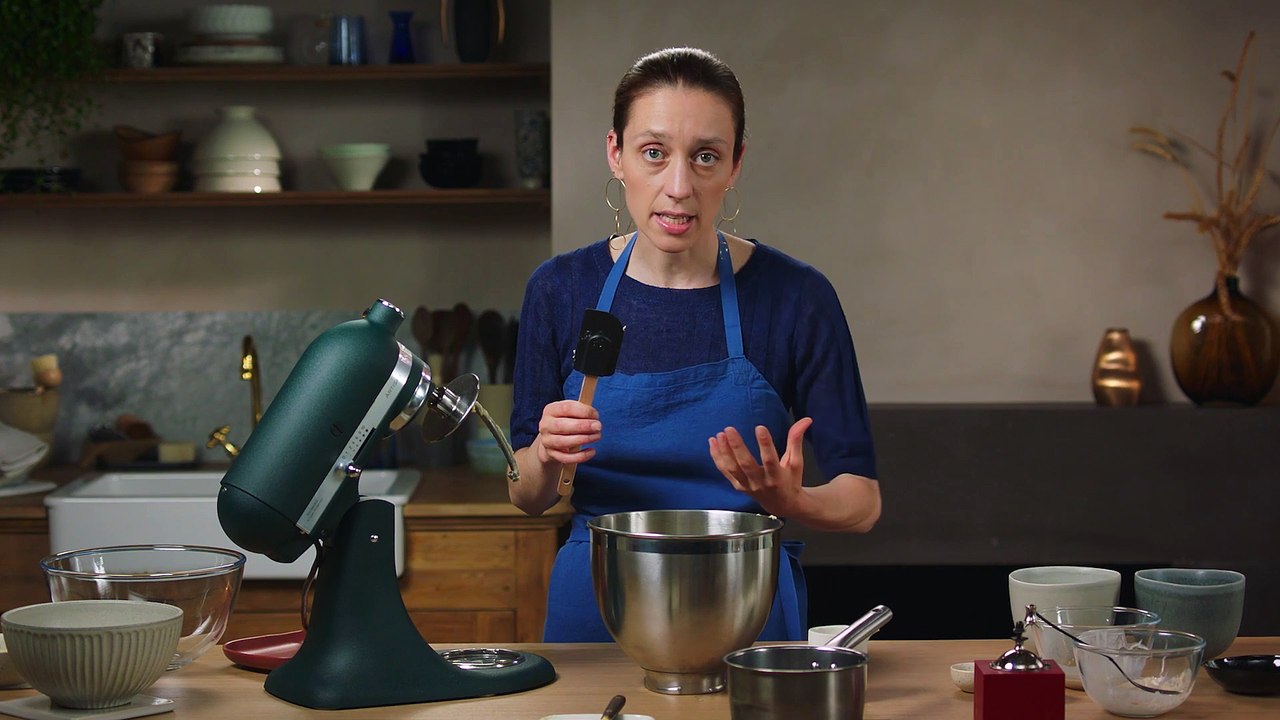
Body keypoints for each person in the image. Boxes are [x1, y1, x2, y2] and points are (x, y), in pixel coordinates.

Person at [508, 47, 880, 643]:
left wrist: (793, 500)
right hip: (599, 609)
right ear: (616, 154)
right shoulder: (559, 289)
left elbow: (861, 502)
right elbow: (526, 496)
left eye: (705, 157)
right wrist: (548, 457)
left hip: (746, 610)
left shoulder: (796, 298)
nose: (678, 187)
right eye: (653, 153)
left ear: (735, 164)